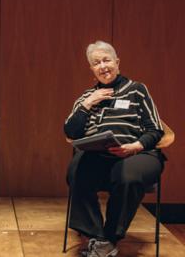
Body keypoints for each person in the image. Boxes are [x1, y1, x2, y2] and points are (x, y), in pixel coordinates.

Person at [64, 40, 165, 257]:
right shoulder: (85, 97)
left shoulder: (137, 90)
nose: (102, 66)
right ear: (91, 68)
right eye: (96, 62)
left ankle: (110, 237)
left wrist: (136, 146)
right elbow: (71, 131)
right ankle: (97, 237)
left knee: (126, 174)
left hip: (138, 154)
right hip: (99, 155)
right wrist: (87, 104)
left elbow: (155, 130)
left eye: (106, 60)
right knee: (76, 170)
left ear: (117, 62)